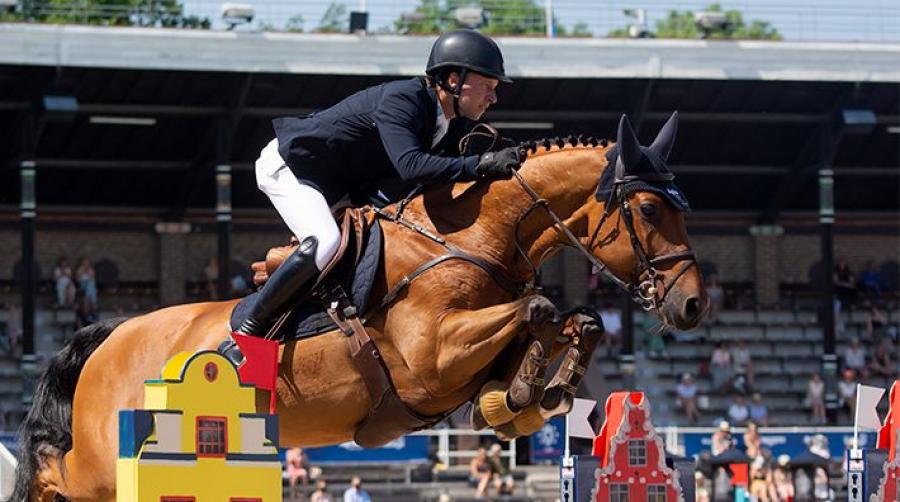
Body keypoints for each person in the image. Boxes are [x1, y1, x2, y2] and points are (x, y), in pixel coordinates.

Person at [219, 30, 522, 366]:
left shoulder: (452, 125)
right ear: (454, 79)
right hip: (292, 166)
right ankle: (246, 333)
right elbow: (411, 166)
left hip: (341, 185)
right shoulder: (403, 100)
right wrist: (481, 164)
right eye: (487, 86)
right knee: (325, 241)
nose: (493, 98)